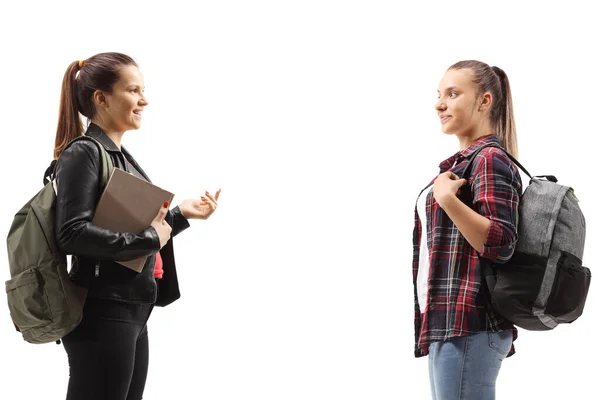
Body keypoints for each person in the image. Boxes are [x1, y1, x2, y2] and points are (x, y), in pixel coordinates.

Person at [50, 52, 221, 400]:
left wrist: (180, 215)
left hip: (130, 310)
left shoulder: (120, 157)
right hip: (103, 312)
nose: (144, 100)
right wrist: (149, 236)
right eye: (133, 90)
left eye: (143, 90)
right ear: (102, 98)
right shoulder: (84, 153)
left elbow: (132, 229)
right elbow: (72, 233)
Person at [413, 60, 522, 399]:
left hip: (469, 324)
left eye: (453, 93)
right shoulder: (462, 164)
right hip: (449, 322)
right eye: (439, 94)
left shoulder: (489, 159)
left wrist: (448, 200)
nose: (439, 103)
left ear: (484, 101)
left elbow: (502, 242)